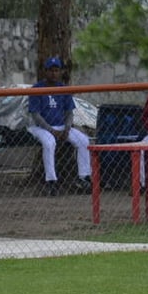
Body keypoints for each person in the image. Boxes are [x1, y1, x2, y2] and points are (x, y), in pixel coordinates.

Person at [27, 56, 92, 196]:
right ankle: (51, 181)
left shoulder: (63, 88)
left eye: (57, 70)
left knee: (83, 141)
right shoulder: (37, 88)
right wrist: (50, 130)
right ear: (45, 71)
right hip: (40, 127)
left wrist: (68, 128)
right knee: (49, 143)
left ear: (61, 72)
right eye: (51, 70)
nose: (54, 73)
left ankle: (84, 177)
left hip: (61, 126)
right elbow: (36, 115)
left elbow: (69, 112)